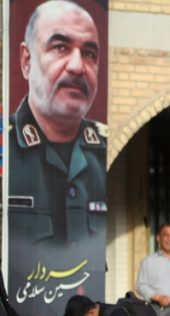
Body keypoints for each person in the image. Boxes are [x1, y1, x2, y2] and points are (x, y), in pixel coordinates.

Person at [7, 0, 106, 246]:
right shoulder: (5, 147)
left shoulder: (104, 149)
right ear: (26, 60)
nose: (77, 67)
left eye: (89, 53)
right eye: (60, 47)